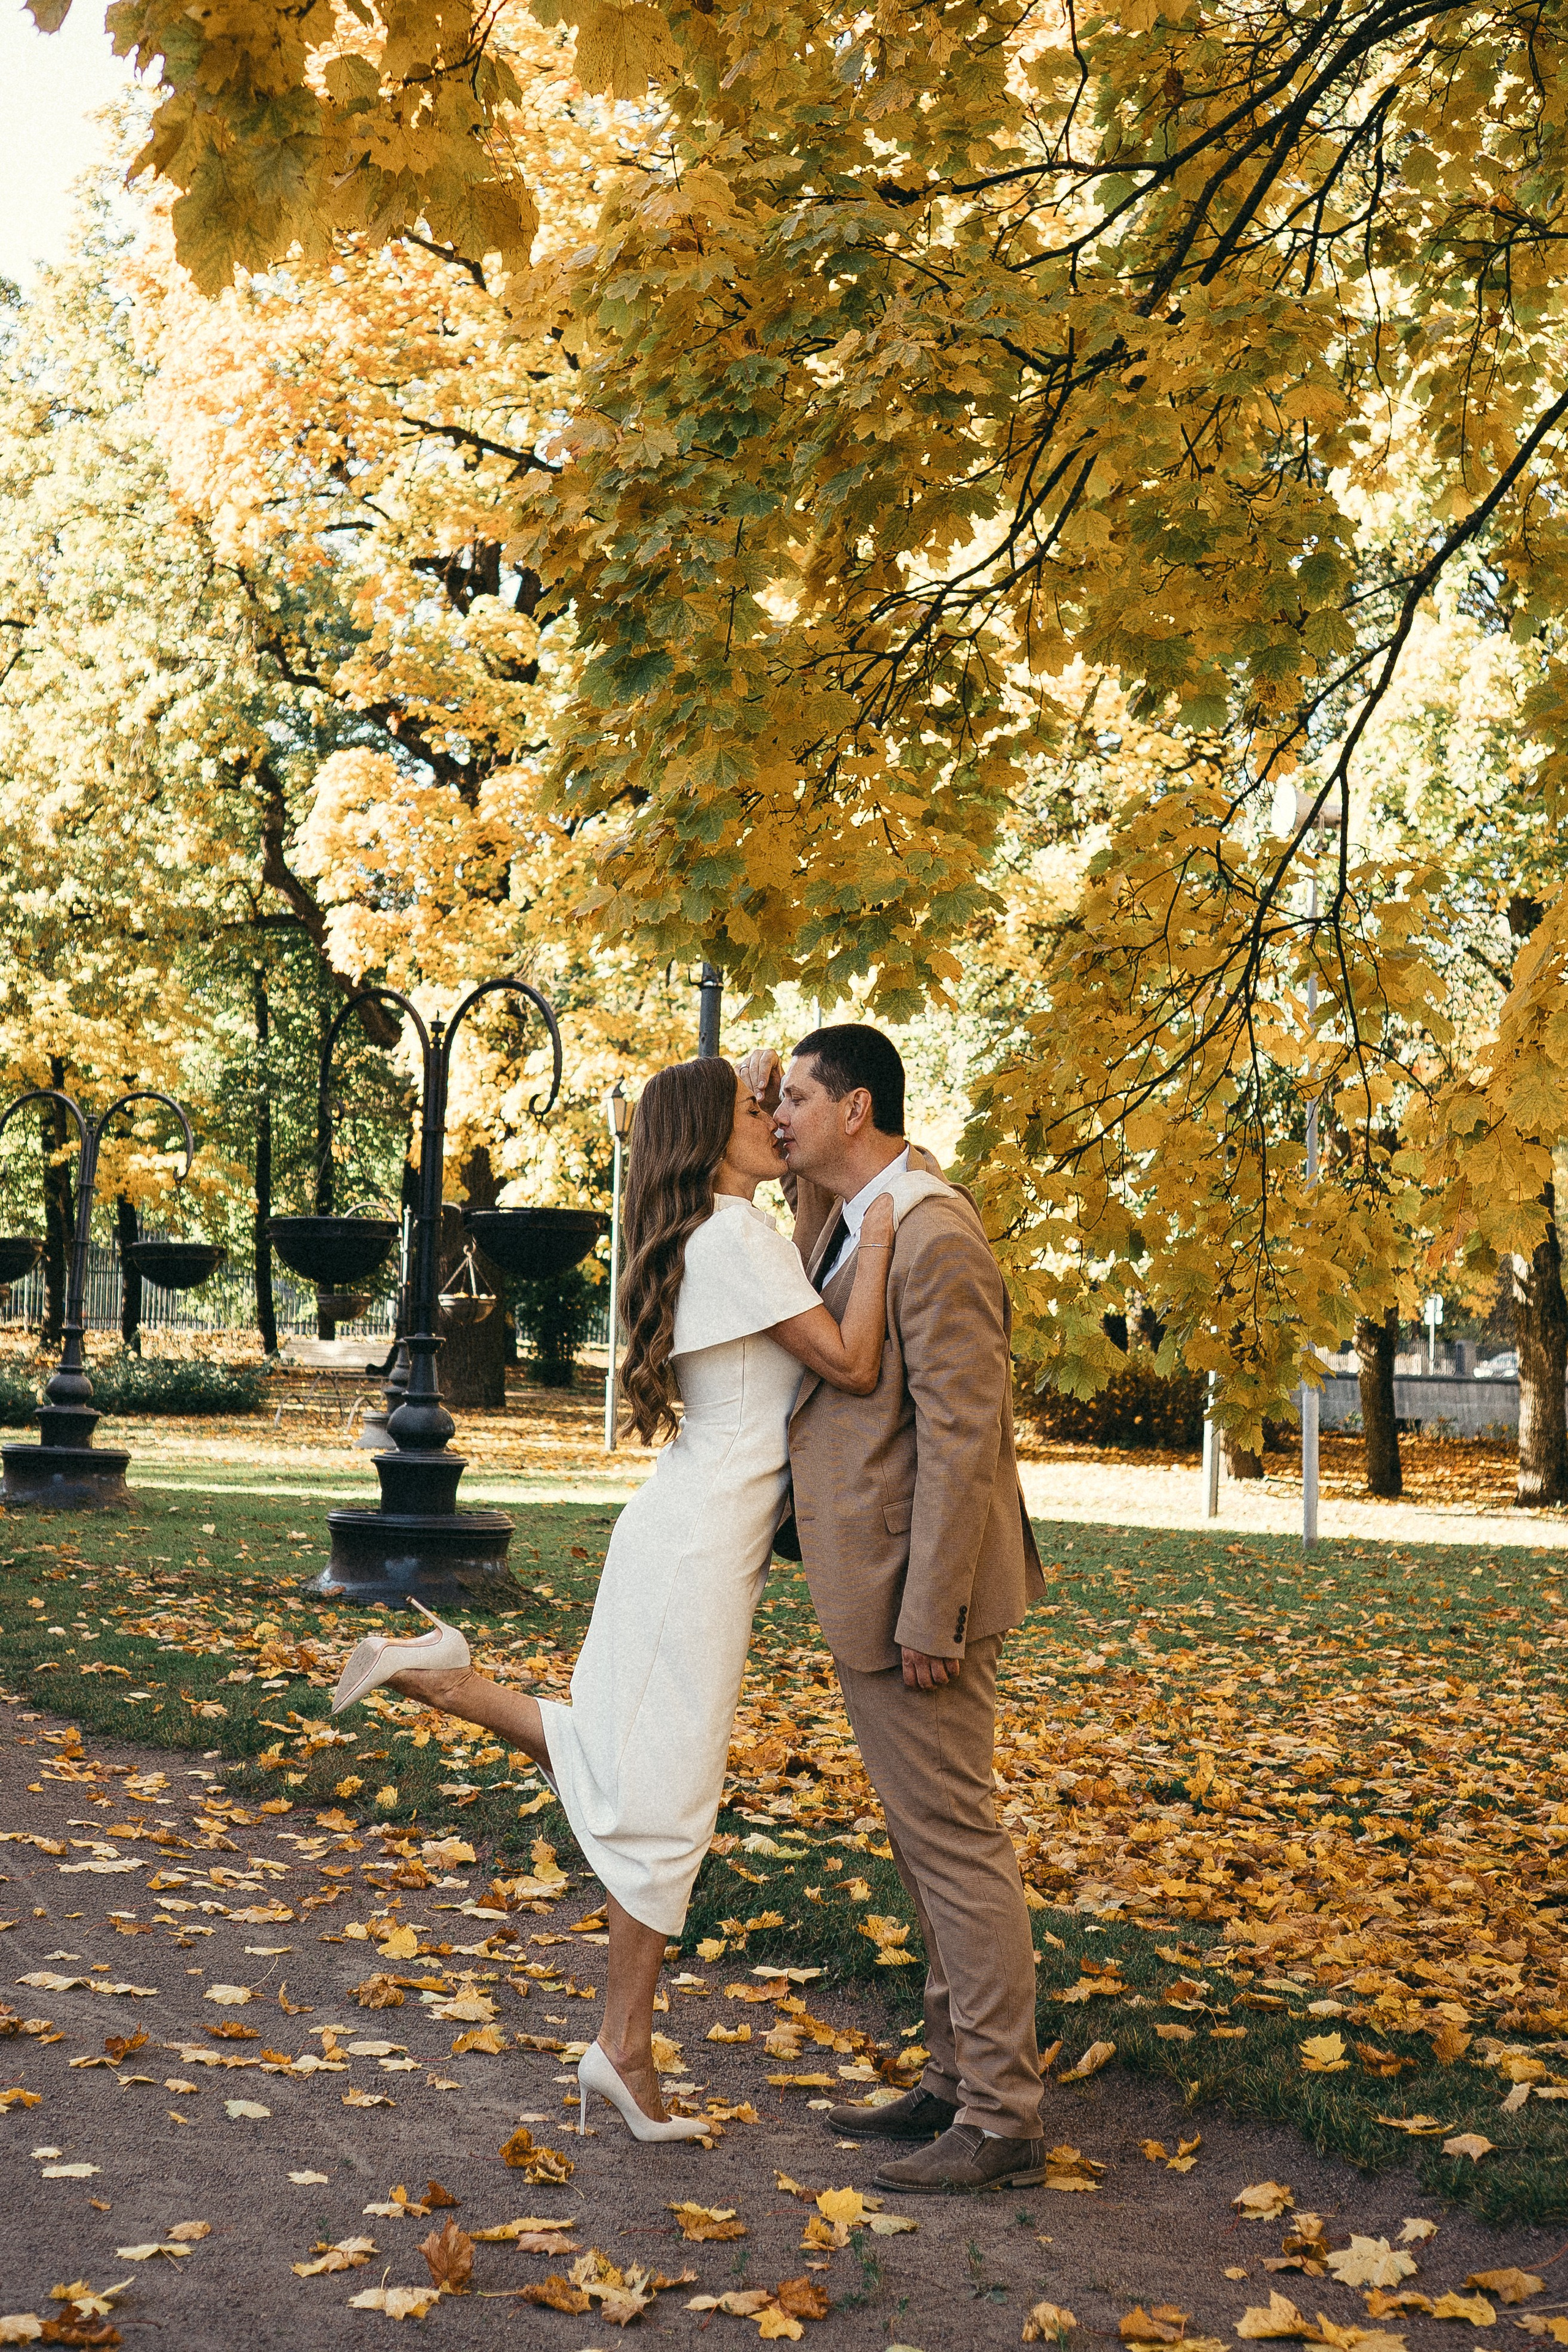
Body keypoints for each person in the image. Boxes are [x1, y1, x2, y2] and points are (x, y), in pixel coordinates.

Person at [330, 1055, 900, 2145]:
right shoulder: (733, 1239)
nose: (777, 1121)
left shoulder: (724, 1233)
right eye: (754, 1109)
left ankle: (434, 1672)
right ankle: (624, 2049)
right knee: (667, 1800)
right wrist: (882, 1229)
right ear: (704, 1138)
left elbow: (795, 1214)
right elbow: (856, 1362)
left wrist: (760, 1100)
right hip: (692, 1552)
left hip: (687, 1537)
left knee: (627, 1766)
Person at [739, 1023, 1049, 2193]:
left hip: (921, 1599)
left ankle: (1002, 2114)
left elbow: (969, 1440)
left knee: (956, 1848)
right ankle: (953, 2079)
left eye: (799, 1102)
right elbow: (819, 1259)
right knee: (928, 1850)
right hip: (873, 1579)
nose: (778, 1121)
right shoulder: (861, 1218)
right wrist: (770, 1108)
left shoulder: (933, 1235)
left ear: (859, 1108)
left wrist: (933, 1613)